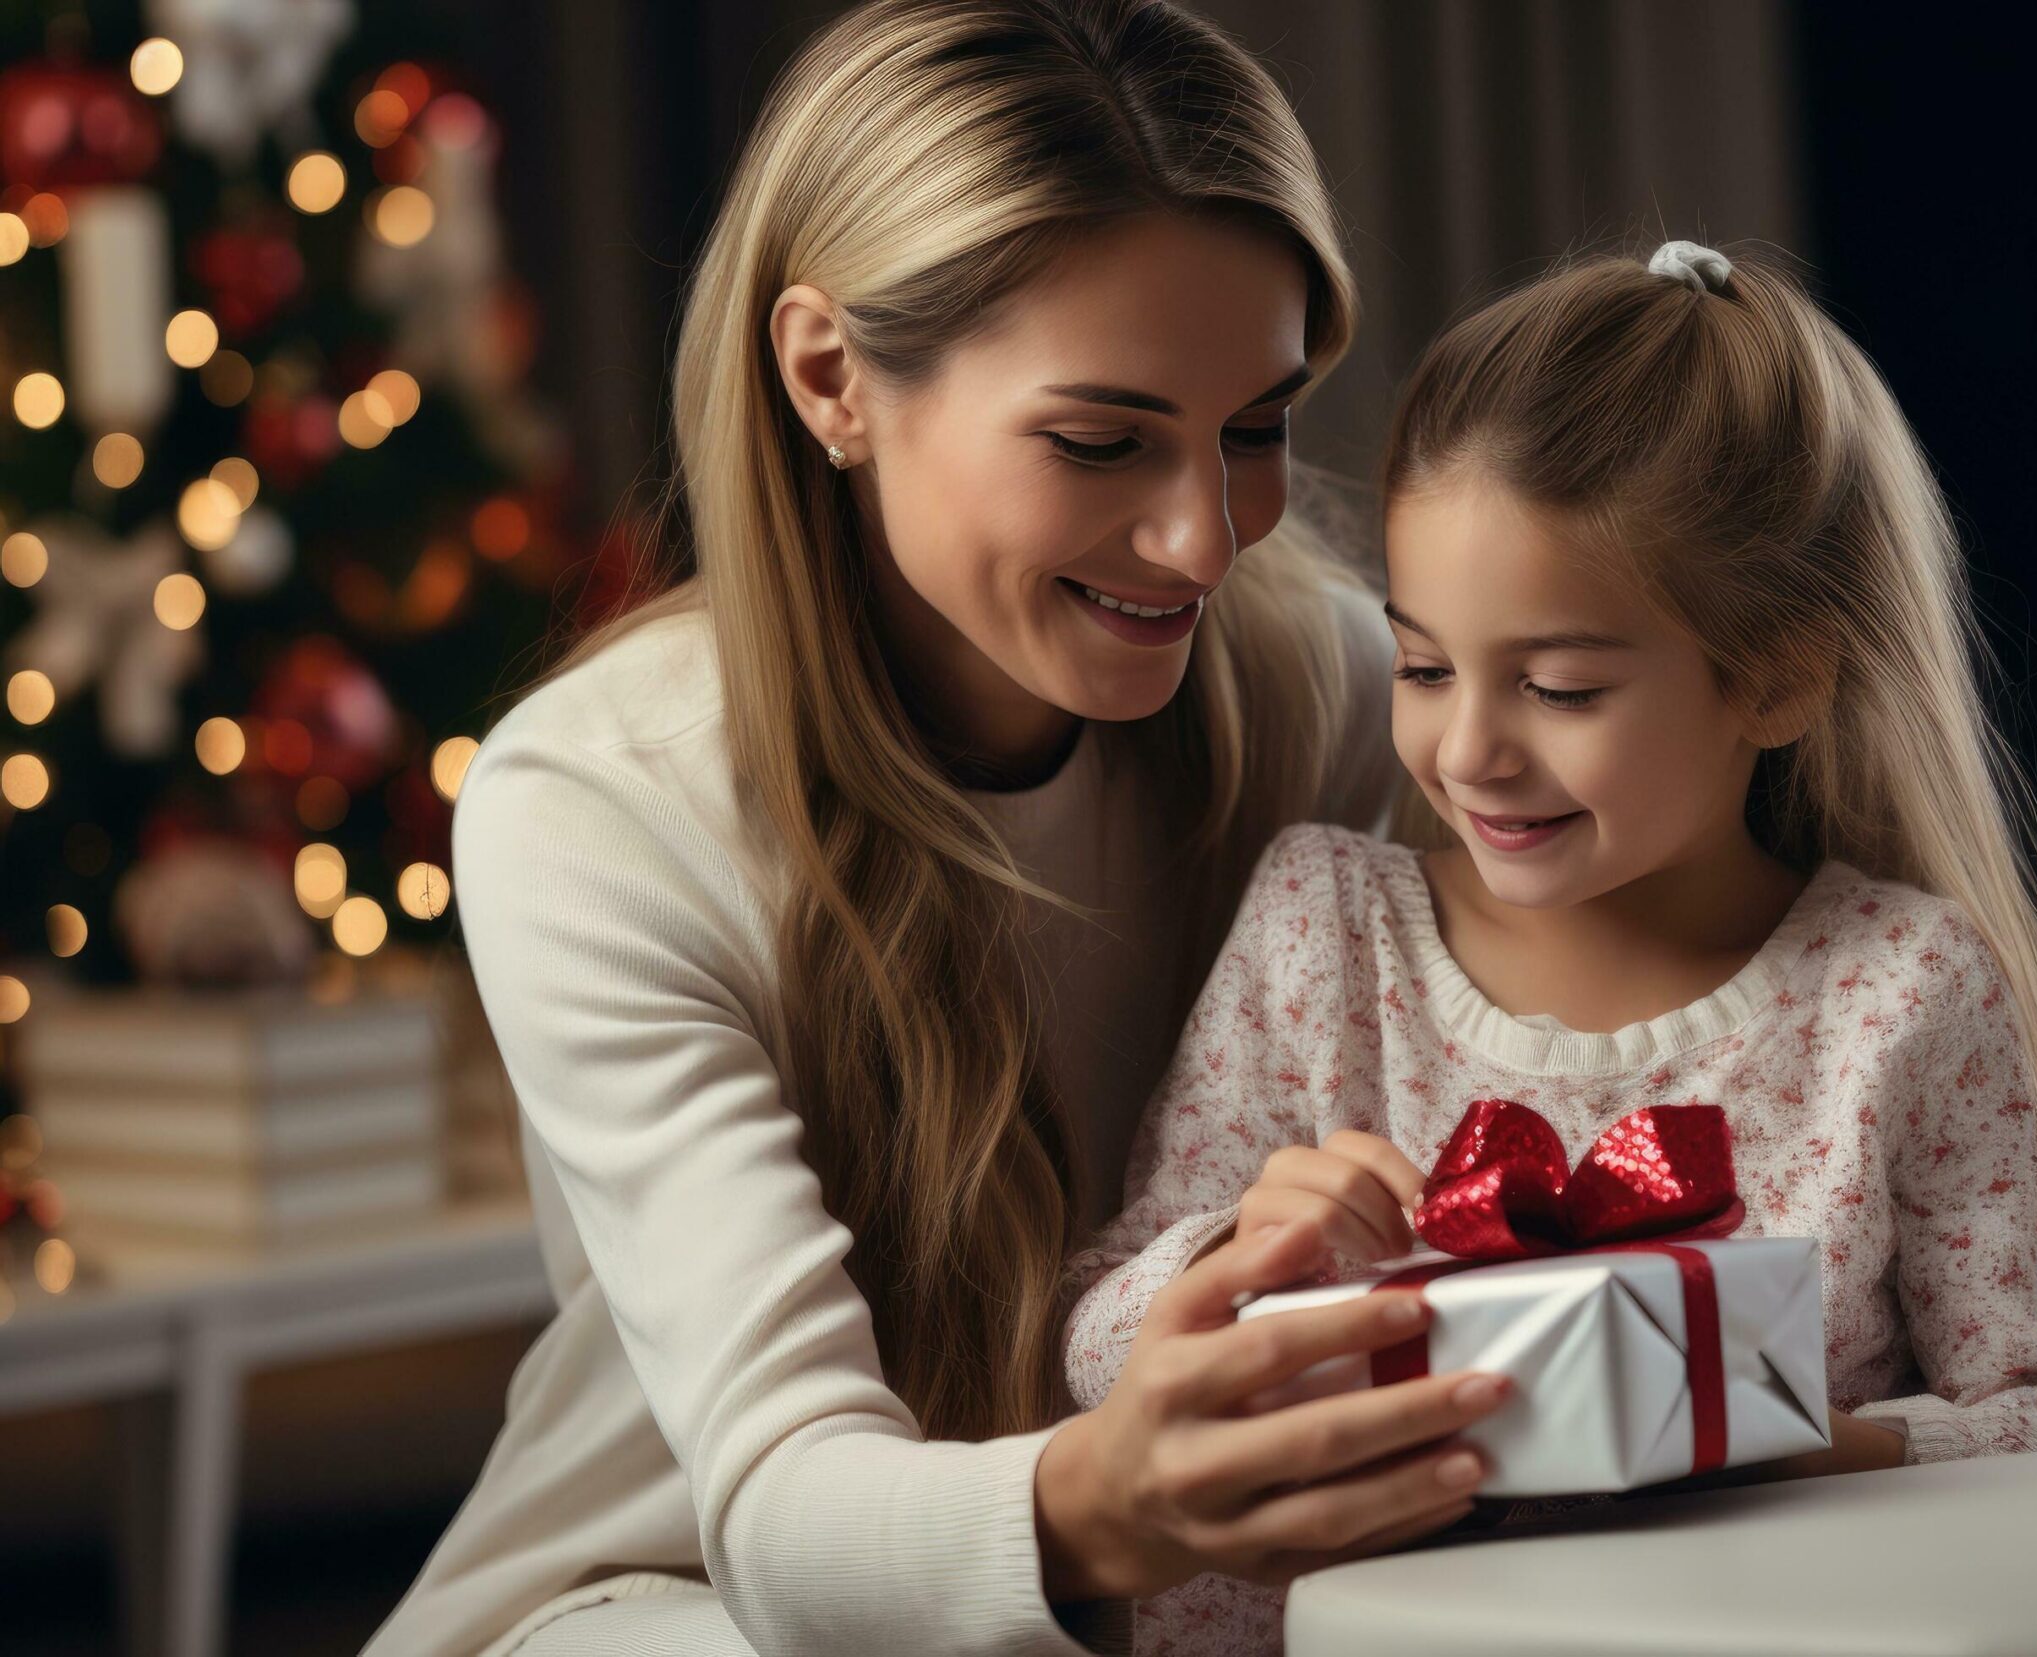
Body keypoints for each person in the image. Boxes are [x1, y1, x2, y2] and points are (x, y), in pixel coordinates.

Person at [363, 4, 1518, 1653]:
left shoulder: (1327, 686)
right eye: (1100, 440)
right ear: (831, 377)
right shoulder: (597, 804)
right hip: (666, 1595)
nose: (1204, 539)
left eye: (1255, 428)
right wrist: (1107, 1498)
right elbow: (784, 1507)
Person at [1062, 241, 2037, 1654]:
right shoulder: (1321, 929)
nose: (1467, 749)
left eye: (1560, 685)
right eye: (1423, 665)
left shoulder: (1897, 988)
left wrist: (1787, 1442)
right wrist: (1238, 1256)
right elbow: (1095, 1346)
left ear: (1776, 678)